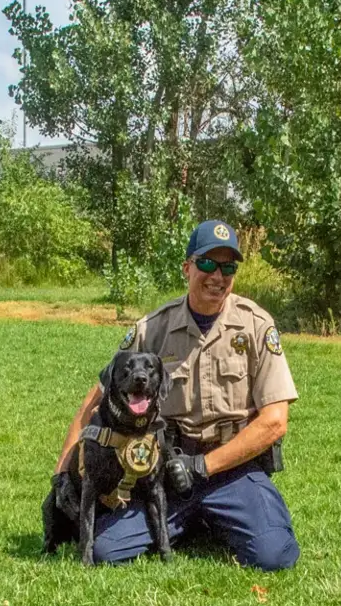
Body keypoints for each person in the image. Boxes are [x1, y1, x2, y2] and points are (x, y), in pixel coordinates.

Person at [52, 220, 299, 570]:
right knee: (106, 551)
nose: (218, 275)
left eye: (228, 266)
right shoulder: (152, 329)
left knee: (275, 556)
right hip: (164, 469)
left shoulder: (256, 325)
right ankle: (194, 521)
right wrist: (62, 474)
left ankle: (209, 518)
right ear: (187, 267)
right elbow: (94, 401)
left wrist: (202, 466)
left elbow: (274, 423)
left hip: (233, 470)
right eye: (208, 264)